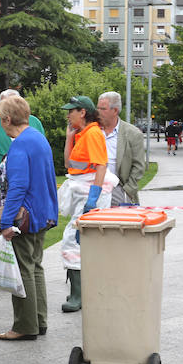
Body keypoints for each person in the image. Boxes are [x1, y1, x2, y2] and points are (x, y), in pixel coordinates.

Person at [0, 96, 58, 340]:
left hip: (25, 217)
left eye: (0, 118)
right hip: (42, 215)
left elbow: (18, 187)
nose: (0, 122)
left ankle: (24, 326)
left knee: (22, 270)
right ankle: (39, 321)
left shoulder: (19, 145)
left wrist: (6, 222)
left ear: (7, 119)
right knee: (35, 267)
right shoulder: (38, 138)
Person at [58, 95, 116, 313]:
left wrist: (93, 198)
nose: (68, 115)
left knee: (72, 242)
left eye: (71, 111)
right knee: (81, 243)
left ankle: (78, 296)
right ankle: (82, 293)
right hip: (85, 194)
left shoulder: (92, 134)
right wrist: (68, 138)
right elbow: (69, 164)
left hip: (90, 196)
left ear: (82, 112)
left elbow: (101, 166)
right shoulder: (83, 134)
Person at [0, 89, 45, 220]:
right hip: (0, 185)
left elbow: (42, 156)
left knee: (25, 223)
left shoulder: (34, 124)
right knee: (2, 228)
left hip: (31, 186)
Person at [96, 91, 146, 206]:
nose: (98, 112)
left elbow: (139, 166)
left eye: (103, 109)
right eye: (97, 108)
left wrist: (127, 191)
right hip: (93, 188)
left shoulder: (133, 134)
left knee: (117, 223)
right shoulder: (93, 131)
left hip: (119, 190)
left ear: (115, 111)